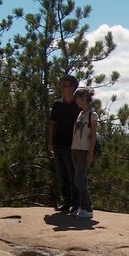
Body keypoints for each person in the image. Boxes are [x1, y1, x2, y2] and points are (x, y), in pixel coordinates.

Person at [49, 74, 81, 212]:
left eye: (65, 86)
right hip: (58, 145)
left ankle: (76, 203)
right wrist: (51, 142)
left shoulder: (78, 105)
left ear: (73, 88)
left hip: (72, 146)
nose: (62, 88)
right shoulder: (57, 104)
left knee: (73, 176)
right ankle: (67, 202)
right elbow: (52, 124)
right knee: (62, 176)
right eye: (61, 85)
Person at [70, 87, 97, 218]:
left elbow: (93, 135)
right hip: (75, 148)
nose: (77, 101)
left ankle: (88, 208)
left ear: (84, 98)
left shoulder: (93, 115)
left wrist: (90, 152)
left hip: (84, 150)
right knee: (81, 180)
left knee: (78, 180)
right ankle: (82, 207)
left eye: (78, 98)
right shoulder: (80, 114)